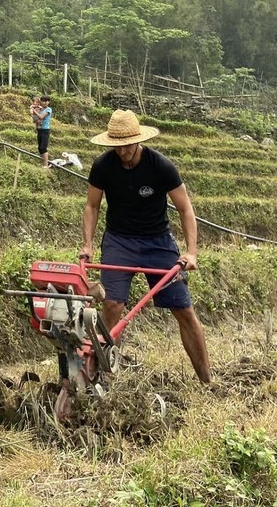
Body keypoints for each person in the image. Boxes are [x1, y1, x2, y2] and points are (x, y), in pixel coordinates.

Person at [81, 109, 212, 383]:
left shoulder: (160, 166)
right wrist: (88, 245)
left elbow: (186, 210)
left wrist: (191, 252)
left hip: (158, 243)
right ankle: (99, 376)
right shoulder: (103, 166)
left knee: (184, 310)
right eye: (117, 146)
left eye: (127, 144)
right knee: (112, 305)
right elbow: (92, 206)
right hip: (119, 241)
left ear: (138, 140)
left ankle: (207, 381)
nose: (122, 151)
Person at [33, 95, 52, 167]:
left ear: (49, 102)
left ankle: (46, 165)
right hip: (40, 129)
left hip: (45, 130)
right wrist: (35, 112)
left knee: (43, 148)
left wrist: (35, 111)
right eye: (43, 101)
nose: (45, 102)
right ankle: (43, 163)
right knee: (39, 148)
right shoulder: (40, 109)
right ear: (41, 101)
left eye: (46, 101)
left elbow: (41, 117)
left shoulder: (48, 109)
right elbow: (35, 120)